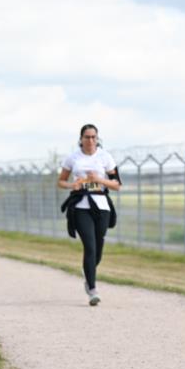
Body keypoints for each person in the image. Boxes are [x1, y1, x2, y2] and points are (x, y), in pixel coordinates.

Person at [58, 124, 121, 305]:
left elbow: (117, 184)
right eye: (87, 137)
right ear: (81, 139)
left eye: (94, 137)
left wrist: (99, 179)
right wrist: (73, 185)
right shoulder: (73, 158)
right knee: (90, 246)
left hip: (101, 206)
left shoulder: (105, 157)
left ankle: (88, 274)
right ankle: (93, 289)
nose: (90, 140)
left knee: (98, 247)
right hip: (80, 206)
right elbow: (61, 181)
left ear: (97, 138)